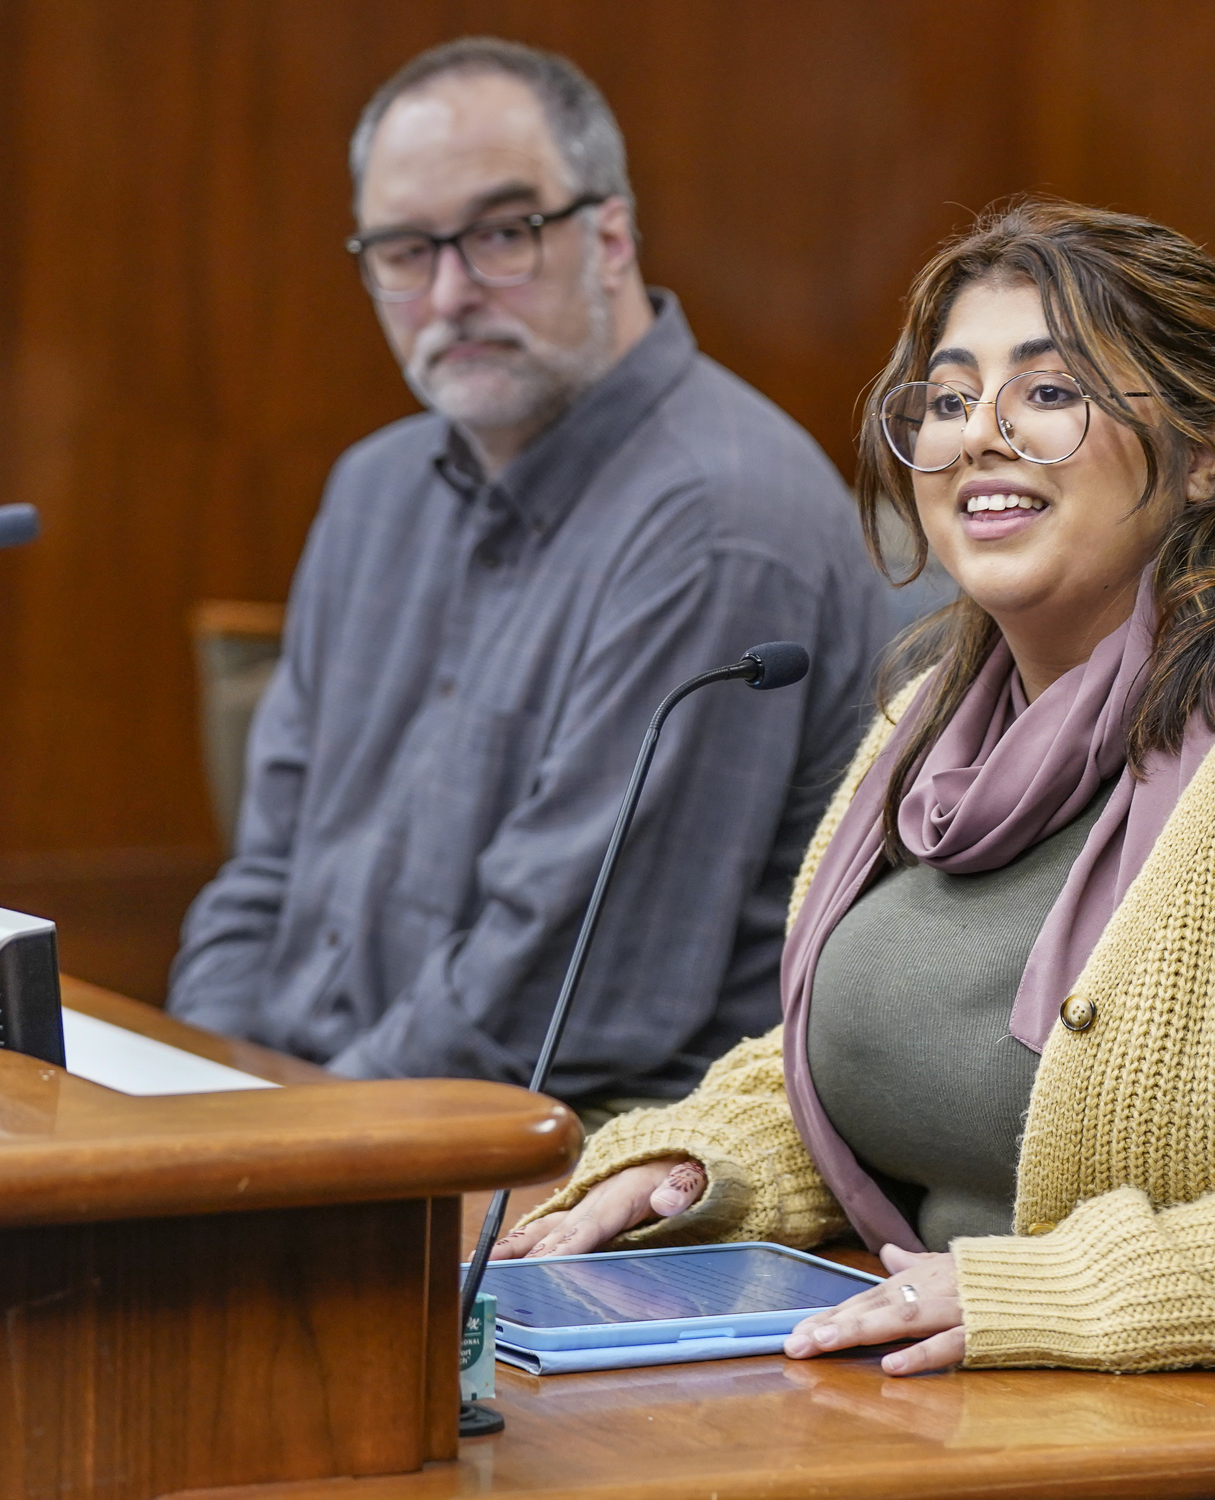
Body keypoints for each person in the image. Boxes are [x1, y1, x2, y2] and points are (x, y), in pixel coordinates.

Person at [492, 199, 1215, 1499]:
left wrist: (1068, 1294)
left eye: (1046, 390)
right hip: (983, 1428)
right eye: (944, 401)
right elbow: (865, 1051)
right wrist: (693, 1171)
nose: (977, 433)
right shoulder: (930, 722)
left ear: (1211, 449)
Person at [166, 39, 890, 1106]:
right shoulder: (374, 489)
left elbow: (564, 996)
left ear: (610, 237)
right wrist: (190, 1090)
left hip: (558, 1158)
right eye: (406, 251)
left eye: (503, 234)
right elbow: (261, 878)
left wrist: (280, 1139)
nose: (450, 293)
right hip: (320, 1122)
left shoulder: (718, 519)